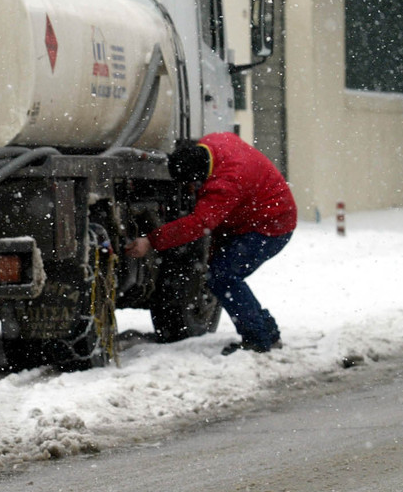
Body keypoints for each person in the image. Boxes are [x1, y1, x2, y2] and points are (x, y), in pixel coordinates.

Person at [124, 132, 297, 355]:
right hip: (257, 217)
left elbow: (199, 223)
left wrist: (150, 241)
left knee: (223, 277)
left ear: (199, 177)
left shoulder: (226, 183)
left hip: (270, 226)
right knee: (222, 276)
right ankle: (266, 333)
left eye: (192, 184)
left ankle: (258, 339)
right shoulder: (215, 141)